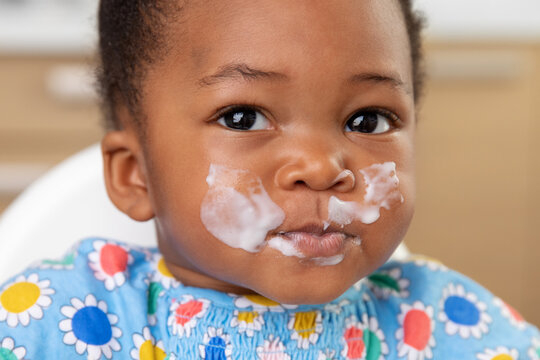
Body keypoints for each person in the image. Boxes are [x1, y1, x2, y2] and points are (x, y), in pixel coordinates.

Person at [0, 0, 538, 359]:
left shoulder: (448, 324)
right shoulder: (58, 320)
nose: (322, 167)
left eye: (367, 120)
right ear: (136, 175)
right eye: (243, 118)